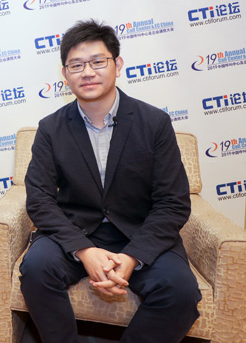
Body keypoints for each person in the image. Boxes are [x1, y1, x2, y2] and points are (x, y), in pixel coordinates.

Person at [19, 20, 201, 342]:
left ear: (117, 64)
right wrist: (83, 250)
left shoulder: (154, 123)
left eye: (97, 62)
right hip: (76, 232)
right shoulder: (50, 129)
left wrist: (132, 256)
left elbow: (173, 202)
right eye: (76, 65)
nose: (87, 72)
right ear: (65, 75)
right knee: (35, 268)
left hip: (139, 231)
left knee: (181, 291)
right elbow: (40, 200)